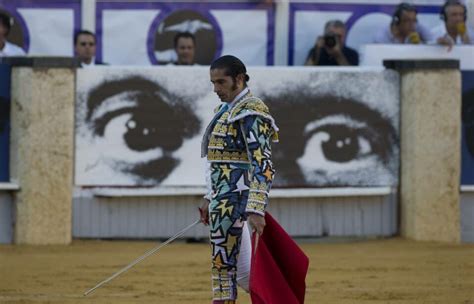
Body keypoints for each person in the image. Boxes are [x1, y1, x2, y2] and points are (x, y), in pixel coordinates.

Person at [200, 55, 279, 303]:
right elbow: (217, 162)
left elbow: (263, 165)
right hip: (223, 202)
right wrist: (208, 197)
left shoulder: (252, 112)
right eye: (213, 83)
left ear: (240, 79)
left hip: (237, 205)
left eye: (221, 82)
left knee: (224, 268)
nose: (216, 89)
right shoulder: (225, 111)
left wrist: (256, 209)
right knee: (238, 273)